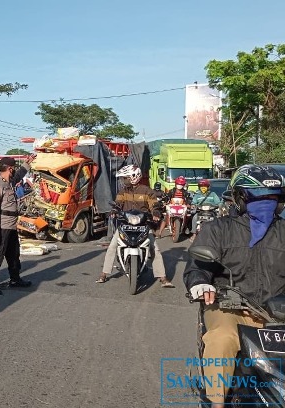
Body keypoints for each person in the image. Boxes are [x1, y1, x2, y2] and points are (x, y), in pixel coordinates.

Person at [183, 165, 285, 408]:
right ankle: (216, 403)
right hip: (230, 307)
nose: (266, 204)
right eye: (258, 198)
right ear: (240, 198)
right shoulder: (218, 229)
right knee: (223, 339)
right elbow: (197, 267)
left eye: (272, 199)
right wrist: (200, 284)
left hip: (276, 313)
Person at [96, 165, 174, 287]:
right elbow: (118, 204)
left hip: (143, 224)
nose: (123, 181)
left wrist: (156, 212)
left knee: (155, 249)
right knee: (112, 246)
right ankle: (104, 273)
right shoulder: (122, 192)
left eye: (125, 178)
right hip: (125, 224)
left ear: (133, 177)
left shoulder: (147, 191)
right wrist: (114, 210)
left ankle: (163, 277)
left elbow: (154, 204)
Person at [0, 155, 35, 295]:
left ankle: (15, 278)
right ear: (10, 168)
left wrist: (27, 163)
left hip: (12, 226)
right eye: (14, 168)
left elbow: (19, 175)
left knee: (14, 254)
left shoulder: (10, 182)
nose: (15, 171)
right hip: (1, 227)